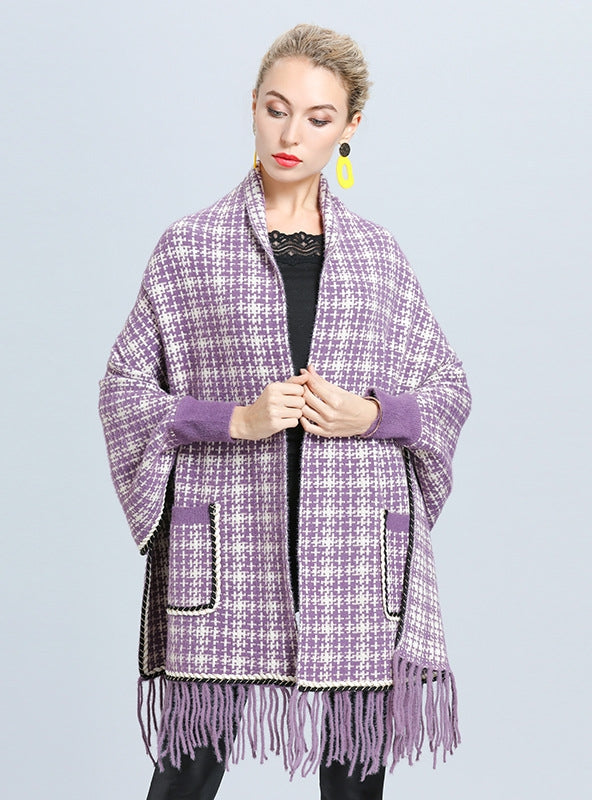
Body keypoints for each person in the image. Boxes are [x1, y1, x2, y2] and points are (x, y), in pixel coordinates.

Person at [98, 23, 471, 800]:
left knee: (355, 778)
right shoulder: (190, 248)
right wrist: (234, 420)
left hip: (355, 545)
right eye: (276, 109)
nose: (291, 134)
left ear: (350, 127)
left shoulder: (378, 256)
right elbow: (125, 393)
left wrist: (372, 414)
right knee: (188, 770)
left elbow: (447, 391)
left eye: (317, 117)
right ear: (253, 107)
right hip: (229, 539)